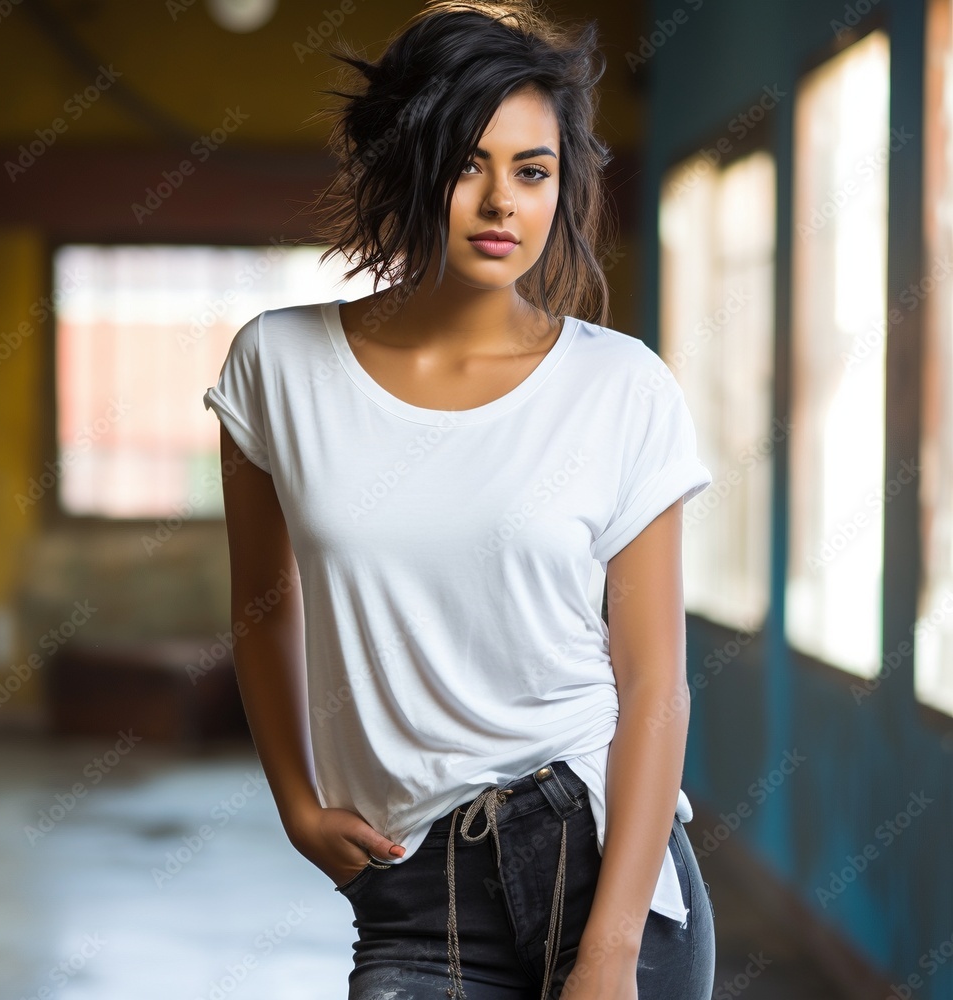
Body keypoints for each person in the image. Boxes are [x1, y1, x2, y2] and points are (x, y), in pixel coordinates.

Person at [202, 2, 716, 998]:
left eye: (531, 170)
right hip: (411, 892)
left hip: (601, 867)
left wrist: (608, 953)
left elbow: (655, 681)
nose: (500, 202)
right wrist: (297, 807)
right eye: (466, 162)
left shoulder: (623, 387)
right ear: (408, 165)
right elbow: (265, 611)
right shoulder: (277, 365)